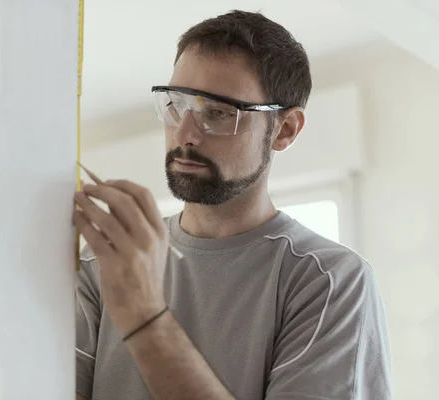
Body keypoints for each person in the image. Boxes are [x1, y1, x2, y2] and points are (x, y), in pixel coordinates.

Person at [72, 10, 393, 400]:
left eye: (219, 113)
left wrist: (144, 315)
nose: (185, 133)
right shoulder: (105, 262)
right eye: (175, 103)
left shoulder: (330, 283)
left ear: (284, 130)